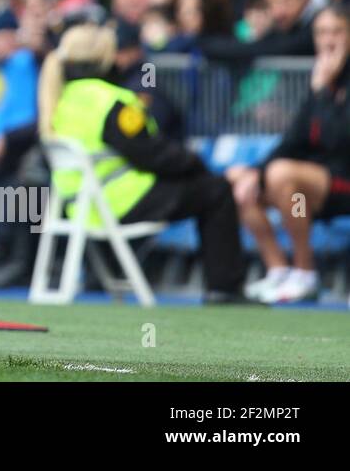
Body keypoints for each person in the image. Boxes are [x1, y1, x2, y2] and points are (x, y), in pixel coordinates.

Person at [37, 23, 250, 303]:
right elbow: (155, 155)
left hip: (79, 206)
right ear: (106, 56)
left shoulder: (60, 99)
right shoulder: (111, 100)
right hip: (120, 202)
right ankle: (224, 289)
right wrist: (199, 163)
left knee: (205, 186)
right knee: (216, 190)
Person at [227, 4, 350, 304]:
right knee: (240, 178)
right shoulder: (321, 77)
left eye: (336, 31)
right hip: (310, 185)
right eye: (321, 32)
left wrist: (322, 91)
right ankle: (279, 270)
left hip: (343, 178)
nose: (328, 40)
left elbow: (339, 140)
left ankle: (305, 272)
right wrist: (254, 172)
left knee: (283, 174)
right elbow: (292, 140)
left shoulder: (325, 81)